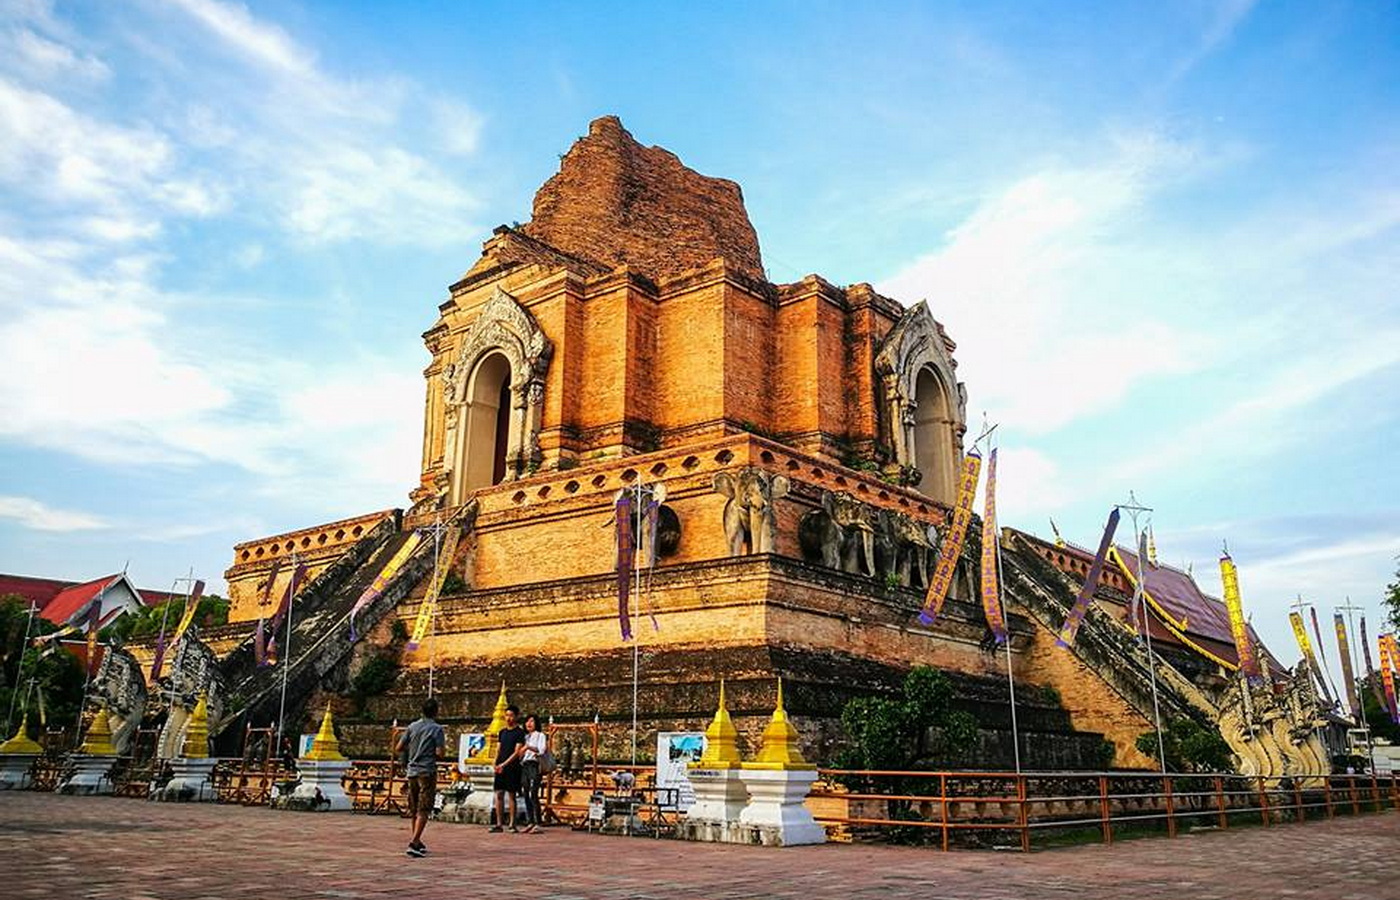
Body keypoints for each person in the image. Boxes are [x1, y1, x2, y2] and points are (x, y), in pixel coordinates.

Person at [396, 698, 445, 857]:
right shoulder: (436, 729)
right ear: (436, 712)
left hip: (412, 771)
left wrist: (413, 751)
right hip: (427, 771)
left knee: (414, 807)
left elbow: (399, 747)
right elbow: (440, 753)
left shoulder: (412, 726)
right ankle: (414, 842)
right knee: (424, 808)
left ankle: (416, 840)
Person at [491, 704, 526, 832]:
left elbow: (517, 752)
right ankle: (499, 823)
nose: (508, 718)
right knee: (499, 794)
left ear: (516, 717)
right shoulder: (502, 732)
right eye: (507, 715)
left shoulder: (519, 733)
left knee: (512, 795)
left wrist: (504, 764)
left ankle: (512, 823)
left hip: (512, 766)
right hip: (500, 766)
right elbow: (498, 749)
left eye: (511, 715)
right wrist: (495, 763)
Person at [520, 713, 548, 833]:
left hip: (534, 765)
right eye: (527, 721)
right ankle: (530, 821)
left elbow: (541, 750)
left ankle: (537, 822)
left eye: (531, 721)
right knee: (525, 793)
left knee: (533, 793)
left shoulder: (540, 735)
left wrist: (529, 747)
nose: (529, 724)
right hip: (525, 765)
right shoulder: (525, 737)